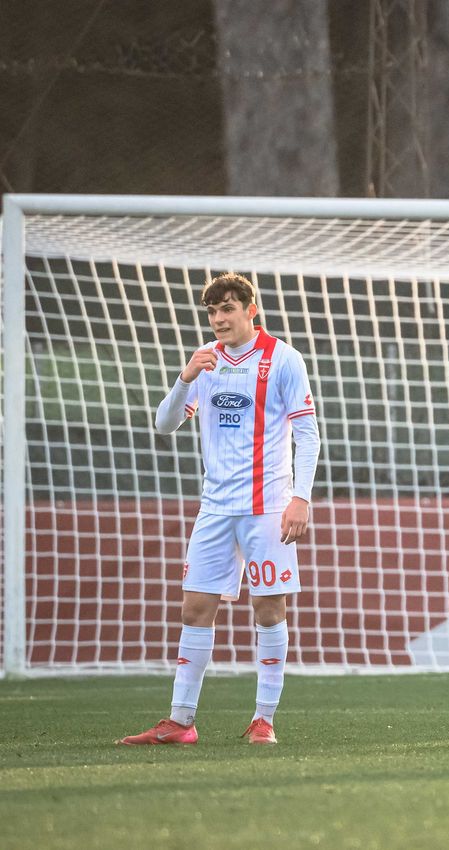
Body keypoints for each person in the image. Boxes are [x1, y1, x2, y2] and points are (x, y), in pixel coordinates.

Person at [117, 273, 319, 746]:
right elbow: (164, 424)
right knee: (194, 609)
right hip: (215, 508)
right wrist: (184, 377)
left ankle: (263, 719)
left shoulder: (283, 358)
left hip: (268, 508)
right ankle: (181, 721)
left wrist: (301, 497)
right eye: (212, 311)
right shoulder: (204, 363)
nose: (219, 319)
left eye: (228, 308)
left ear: (252, 309)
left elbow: (307, 434)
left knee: (269, 611)